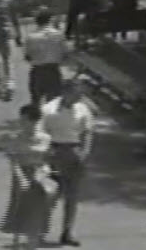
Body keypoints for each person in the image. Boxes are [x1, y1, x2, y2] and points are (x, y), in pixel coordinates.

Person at [41, 77, 95, 247]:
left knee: (72, 197)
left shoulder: (83, 109)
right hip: (55, 151)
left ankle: (67, 232)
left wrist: (84, 152)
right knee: (51, 194)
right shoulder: (48, 110)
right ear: (65, 92)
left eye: (80, 94)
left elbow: (87, 131)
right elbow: (41, 133)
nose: (79, 97)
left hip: (75, 151)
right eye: (76, 93)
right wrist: (47, 154)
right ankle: (40, 229)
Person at [0, 104, 57, 250]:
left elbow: (48, 161)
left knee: (39, 209)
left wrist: (44, 173)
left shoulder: (46, 139)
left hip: (40, 175)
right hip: (22, 173)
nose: (22, 123)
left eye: (25, 120)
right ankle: (16, 241)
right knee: (19, 206)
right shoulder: (16, 138)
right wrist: (22, 179)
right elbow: (14, 162)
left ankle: (34, 242)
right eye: (22, 120)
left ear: (35, 121)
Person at [24, 8, 68, 107]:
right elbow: (65, 54)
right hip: (53, 71)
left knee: (36, 101)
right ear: (49, 20)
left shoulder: (31, 37)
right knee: (54, 104)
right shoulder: (58, 34)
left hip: (38, 71)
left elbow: (28, 57)